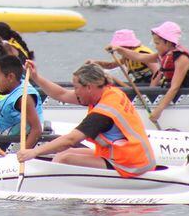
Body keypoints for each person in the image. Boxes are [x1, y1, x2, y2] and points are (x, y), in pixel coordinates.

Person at [17, 63, 156, 178]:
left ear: (89, 87)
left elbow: (70, 140)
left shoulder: (104, 113)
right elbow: (61, 94)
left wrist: (34, 152)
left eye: (76, 87)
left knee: (65, 159)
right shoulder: (107, 92)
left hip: (131, 164)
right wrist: (36, 77)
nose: (74, 91)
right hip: (124, 156)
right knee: (62, 154)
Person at [111, 21, 189, 124]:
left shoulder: (181, 58)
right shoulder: (163, 54)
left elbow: (174, 87)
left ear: (168, 42)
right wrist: (119, 49)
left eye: (157, 43)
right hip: (169, 88)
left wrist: (158, 110)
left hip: (187, 90)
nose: (155, 46)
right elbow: (139, 57)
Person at [88, 29, 156, 85]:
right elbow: (111, 65)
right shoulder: (127, 56)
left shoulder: (141, 53)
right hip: (139, 83)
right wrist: (95, 63)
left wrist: (152, 90)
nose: (117, 51)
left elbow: (157, 71)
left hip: (152, 84)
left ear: (126, 46)